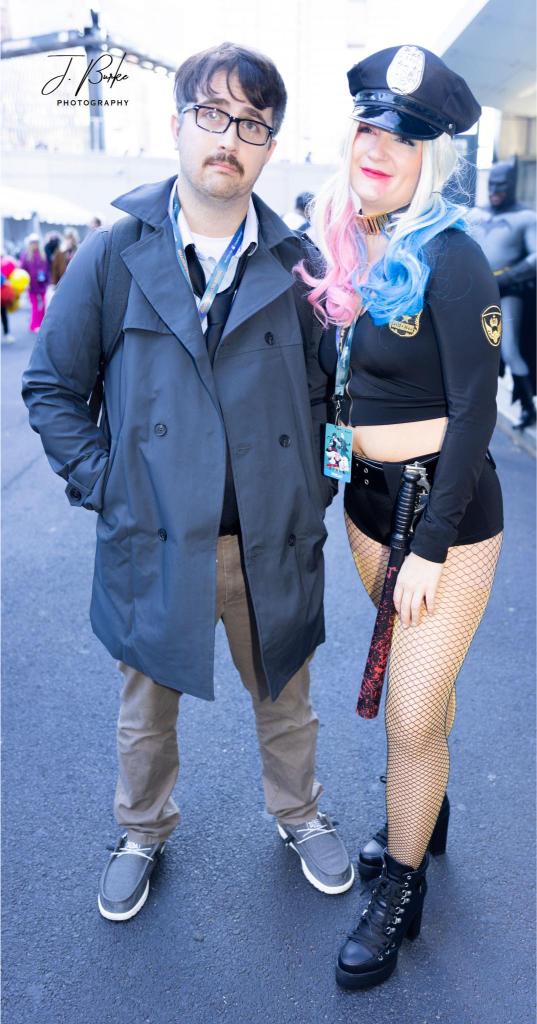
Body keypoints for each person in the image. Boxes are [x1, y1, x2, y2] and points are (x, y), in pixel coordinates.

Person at [22, 41, 353, 925]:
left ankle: (299, 811)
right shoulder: (113, 255)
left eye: (252, 123)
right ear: (175, 125)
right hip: (157, 535)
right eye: (212, 114)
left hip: (268, 538)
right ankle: (141, 830)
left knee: (287, 699)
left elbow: (336, 401)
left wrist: (316, 491)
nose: (229, 138)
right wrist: (107, 486)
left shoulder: (298, 266)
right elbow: (52, 388)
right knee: (145, 710)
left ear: (270, 145)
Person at [298, 45, 503, 989]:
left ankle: (400, 890)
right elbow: (338, 388)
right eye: (370, 128)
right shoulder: (344, 246)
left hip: (444, 519)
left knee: (408, 719)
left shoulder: (452, 259)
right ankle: (430, 803)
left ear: (432, 157)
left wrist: (427, 548)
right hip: (366, 509)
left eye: (405, 138)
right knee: (428, 699)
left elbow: (475, 411)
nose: (379, 148)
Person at [470, 158, 536, 430]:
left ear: (512, 185)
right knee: (468, 349)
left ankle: (527, 407)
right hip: (474, 291)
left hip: (507, 291)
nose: (495, 189)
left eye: (502, 185)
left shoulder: (526, 217)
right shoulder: (475, 214)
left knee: (509, 349)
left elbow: (535, 258)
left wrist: (504, 279)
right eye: (492, 184)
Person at [20, 234, 49, 332]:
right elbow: (22, 271)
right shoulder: (26, 256)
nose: (35, 244)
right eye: (33, 242)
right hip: (31, 286)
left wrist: (47, 281)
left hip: (42, 285)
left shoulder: (42, 254)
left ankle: (41, 324)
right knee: (35, 306)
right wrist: (25, 283)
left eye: (36, 242)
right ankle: (34, 325)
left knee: (43, 305)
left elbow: (47, 269)